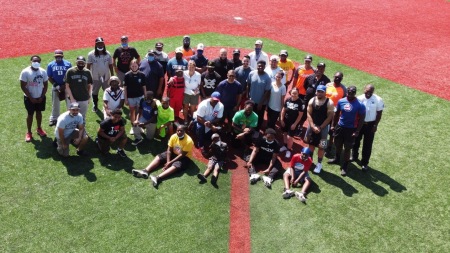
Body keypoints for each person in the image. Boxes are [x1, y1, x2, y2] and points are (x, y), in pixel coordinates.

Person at [328, 86, 366, 176]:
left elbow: (362, 119)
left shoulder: (360, 104)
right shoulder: (341, 101)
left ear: (355, 93)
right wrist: (333, 125)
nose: (350, 94)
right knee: (337, 144)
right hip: (340, 127)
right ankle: (337, 158)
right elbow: (336, 114)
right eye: (349, 92)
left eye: (352, 92)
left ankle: (345, 166)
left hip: (351, 129)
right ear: (347, 92)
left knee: (347, 148)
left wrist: (357, 131)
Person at [352, 84, 384, 171]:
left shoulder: (378, 99)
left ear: (373, 91)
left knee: (367, 145)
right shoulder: (359, 98)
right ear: (364, 90)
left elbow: (379, 113)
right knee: (355, 141)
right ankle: (354, 156)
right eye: (367, 91)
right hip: (359, 124)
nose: (369, 93)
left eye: (371, 91)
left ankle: (365, 163)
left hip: (370, 125)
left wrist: (375, 125)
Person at [304, 85, 335, 174]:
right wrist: (313, 126)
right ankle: (310, 161)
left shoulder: (330, 103)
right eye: (318, 91)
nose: (320, 93)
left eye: (322, 91)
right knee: (310, 144)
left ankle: (319, 164)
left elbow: (330, 117)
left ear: (325, 92)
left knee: (322, 146)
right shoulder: (312, 100)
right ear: (316, 91)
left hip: (324, 128)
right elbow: (309, 114)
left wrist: (320, 127)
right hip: (312, 126)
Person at [20, 55, 49, 142]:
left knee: (39, 113)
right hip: (29, 98)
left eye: (38, 61)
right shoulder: (25, 72)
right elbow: (23, 86)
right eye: (34, 61)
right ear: (31, 61)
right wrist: (30, 97)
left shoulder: (43, 71)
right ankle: (29, 132)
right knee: (30, 114)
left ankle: (39, 128)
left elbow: (46, 84)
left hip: (40, 97)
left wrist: (42, 96)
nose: (36, 63)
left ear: (40, 62)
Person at [87, 37, 114, 113]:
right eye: (98, 43)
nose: (100, 45)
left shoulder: (108, 54)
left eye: (101, 43)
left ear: (103, 43)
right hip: (95, 77)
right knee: (94, 92)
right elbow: (88, 66)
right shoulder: (91, 54)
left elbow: (111, 65)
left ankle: (108, 105)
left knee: (108, 91)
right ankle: (95, 105)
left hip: (106, 77)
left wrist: (112, 76)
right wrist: (88, 77)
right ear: (95, 44)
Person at [47, 50, 72, 126]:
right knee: (55, 103)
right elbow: (49, 77)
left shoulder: (68, 64)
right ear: (55, 56)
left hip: (67, 87)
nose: (58, 57)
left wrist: (64, 85)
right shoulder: (51, 65)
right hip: (56, 87)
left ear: (62, 56)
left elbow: (70, 76)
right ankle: (54, 118)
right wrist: (56, 85)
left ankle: (71, 117)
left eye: (60, 56)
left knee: (69, 103)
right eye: (57, 56)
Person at [65, 56, 93, 124]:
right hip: (73, 98)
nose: (80, 64)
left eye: (82, 63)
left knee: (82, 116)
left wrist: (89, 97)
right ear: (76, 63)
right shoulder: (70, 71)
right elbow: (67, 86)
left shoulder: (87, 72)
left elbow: (90, 85)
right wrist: (72, 98)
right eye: (79, 63)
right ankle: (71, 131)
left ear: (85, 63)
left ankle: (82, 132)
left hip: (84, 98)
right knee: (71, 115)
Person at [325, 71, 348, 153]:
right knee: (323, 129)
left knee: (332, 131)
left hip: (335, 114)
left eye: (339, 78)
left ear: (342, 79)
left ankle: (329, 147)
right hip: (324, 111)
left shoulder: (344, 89)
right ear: (333, 76)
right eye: (336, 77)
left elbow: (345, 101)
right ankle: (322, 145)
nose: (337, 79)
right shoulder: (328, 85)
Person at [279, 88, 304, 158]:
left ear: (298, 93)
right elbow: (283, 110)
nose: (294, 95)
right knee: (284, 133)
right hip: (286, 120)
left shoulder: (301, 102)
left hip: (293, 123)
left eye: (295, 93)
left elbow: (300, 115)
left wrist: (295, 124)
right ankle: (285, 145)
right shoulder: (288, 100)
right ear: (291, 93)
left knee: (289, 137)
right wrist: (281, 119)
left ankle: (289, 150)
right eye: (293, 93)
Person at [123, 59, 147, 135]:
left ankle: (139, 126)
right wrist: (126, 99)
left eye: (135, 66)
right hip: (130, 97)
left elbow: (144, 86)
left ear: (138, 66)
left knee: (139, 111)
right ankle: (133, 126)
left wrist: (145, 95)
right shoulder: (127, 75)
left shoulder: (142, 75)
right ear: (130, 66)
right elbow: (125, 88)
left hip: (140, 96)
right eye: (132, 66)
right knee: (132, 112)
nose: (134, 67)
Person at [247, 60, 271, 129]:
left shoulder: (267, 78)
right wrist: (248, 96)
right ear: (257, 66)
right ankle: (249, 128)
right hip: (252, 101)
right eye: (259, 66)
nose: (260, 67)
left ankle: (257, 130)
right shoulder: (251, 73)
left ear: (264, 67)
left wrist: (261, 103)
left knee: (259, 117)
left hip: (261, 103)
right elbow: (248, 84)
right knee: (250, 114)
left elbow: (267, 91)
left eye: (262, 66)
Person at [182, 60, 201, 125]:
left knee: (193, 108)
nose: (191, 68)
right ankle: (186, 119)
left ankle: (192, 121)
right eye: (190, 66)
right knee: (185, 107)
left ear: (195, 67)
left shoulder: (198, 75)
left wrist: (196, 90)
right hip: (186, 93)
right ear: (187, 67)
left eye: (192, 67)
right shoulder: (184, 73)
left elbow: (199, 85)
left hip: (194, 94)